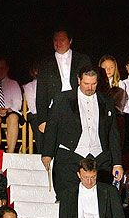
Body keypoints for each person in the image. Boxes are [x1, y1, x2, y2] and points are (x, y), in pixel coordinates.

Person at [42, 66, 123, 201]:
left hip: (100, 158)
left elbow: (113, 133)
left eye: (93, 83)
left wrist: (117, 163)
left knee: (101, 201)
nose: (90, 87)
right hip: (70, 156)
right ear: (79, 80)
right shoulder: (62, 99)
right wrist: (47, 153)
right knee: (68, 200)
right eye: (86, 83)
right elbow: (52, 127)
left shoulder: (107, 101)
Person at [35, 29, 92, 135]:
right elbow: (41, 93)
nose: (58, 43)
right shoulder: (45, 63)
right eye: (55, 40)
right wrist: (42, 120)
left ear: (70, 41)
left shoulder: (83, 59)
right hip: (55, 106)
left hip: (78, 105)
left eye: (62, 40)